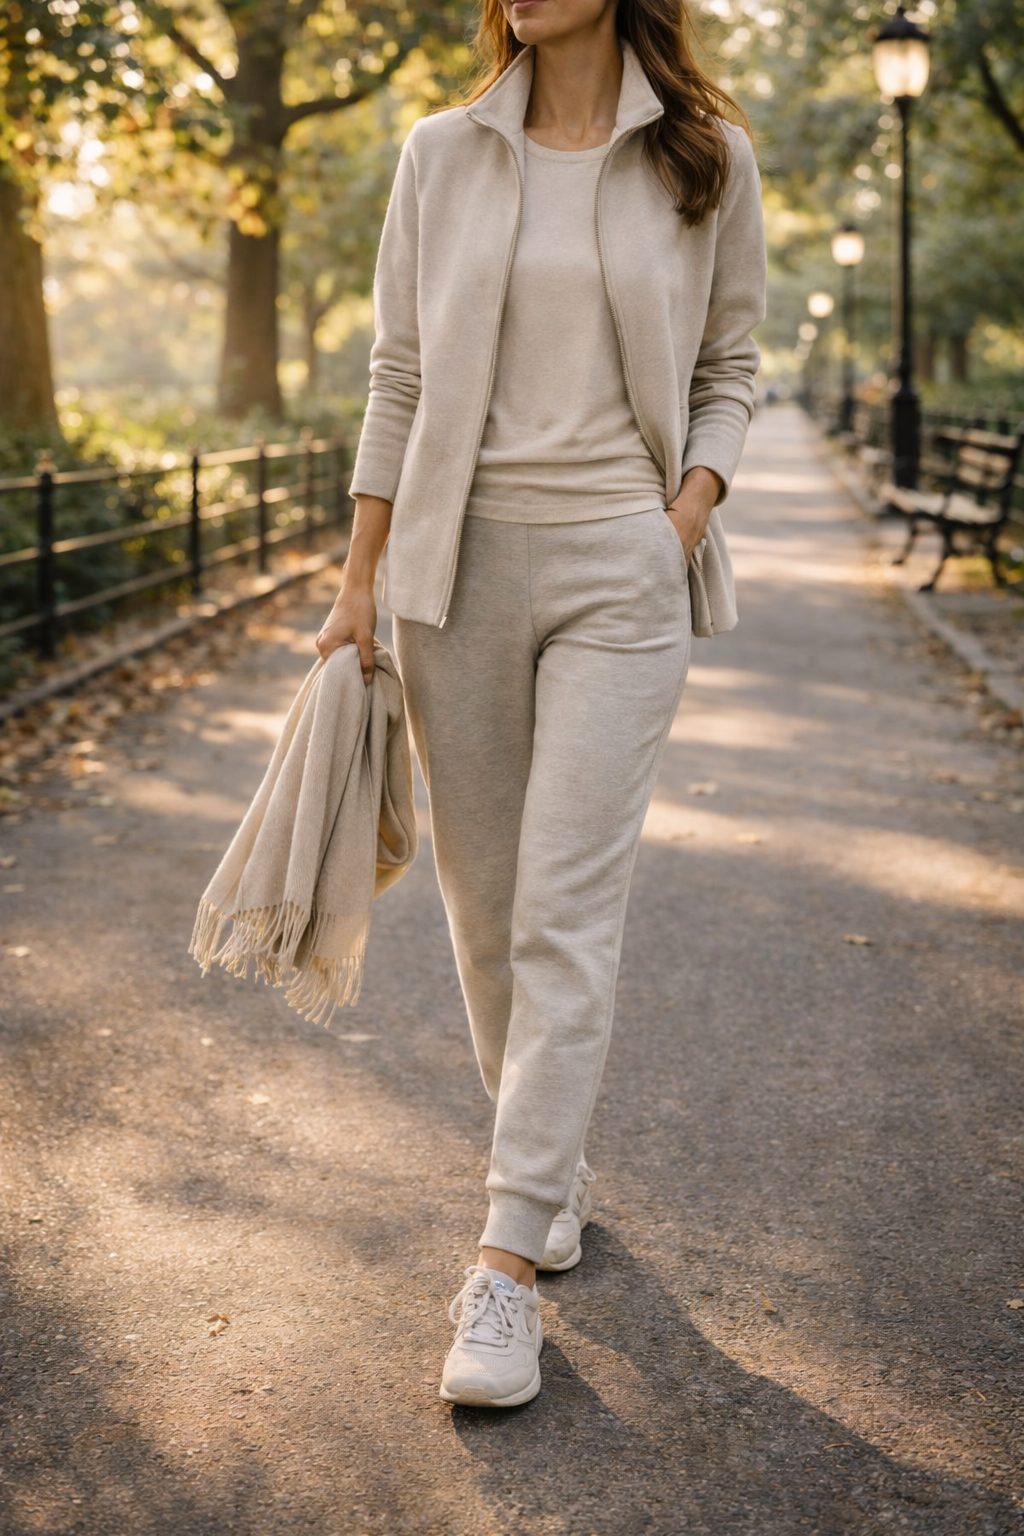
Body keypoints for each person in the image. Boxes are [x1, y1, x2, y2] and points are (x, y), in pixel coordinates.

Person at [316, 0, 767, 1408]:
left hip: (621, 572)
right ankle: (548, 1171)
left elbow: (729, 367)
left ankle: (504, 1262)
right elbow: (398, 374)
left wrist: (679, 520)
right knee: (489, 908)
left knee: (566, 910)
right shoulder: (440, 152)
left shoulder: (704, 155)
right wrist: (358, 582)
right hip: (454, 571)